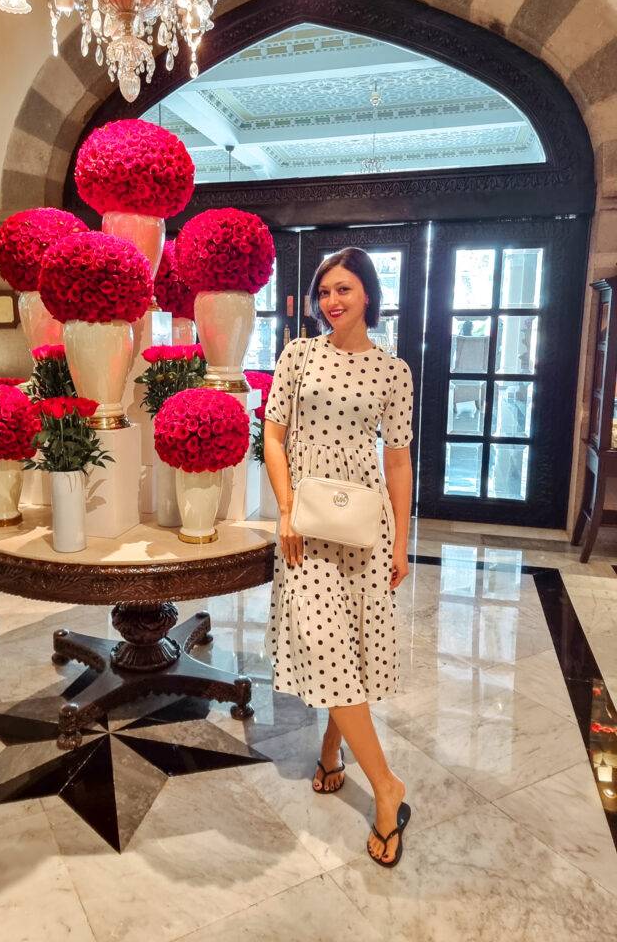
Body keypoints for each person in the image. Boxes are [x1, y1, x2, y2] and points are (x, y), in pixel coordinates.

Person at [263, 248, 414, 868]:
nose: (331, 301)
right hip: (307, 527)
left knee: (348, 646)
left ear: (368, 296)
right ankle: (387, 786)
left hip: (365, 528)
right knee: (324, 645)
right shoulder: (298, 355)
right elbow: (273, 434)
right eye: (324, 290)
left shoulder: (393, 371)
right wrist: (285, 507)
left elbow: (398, 459)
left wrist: (401, 539)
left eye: (344, 289)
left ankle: (332, 752)